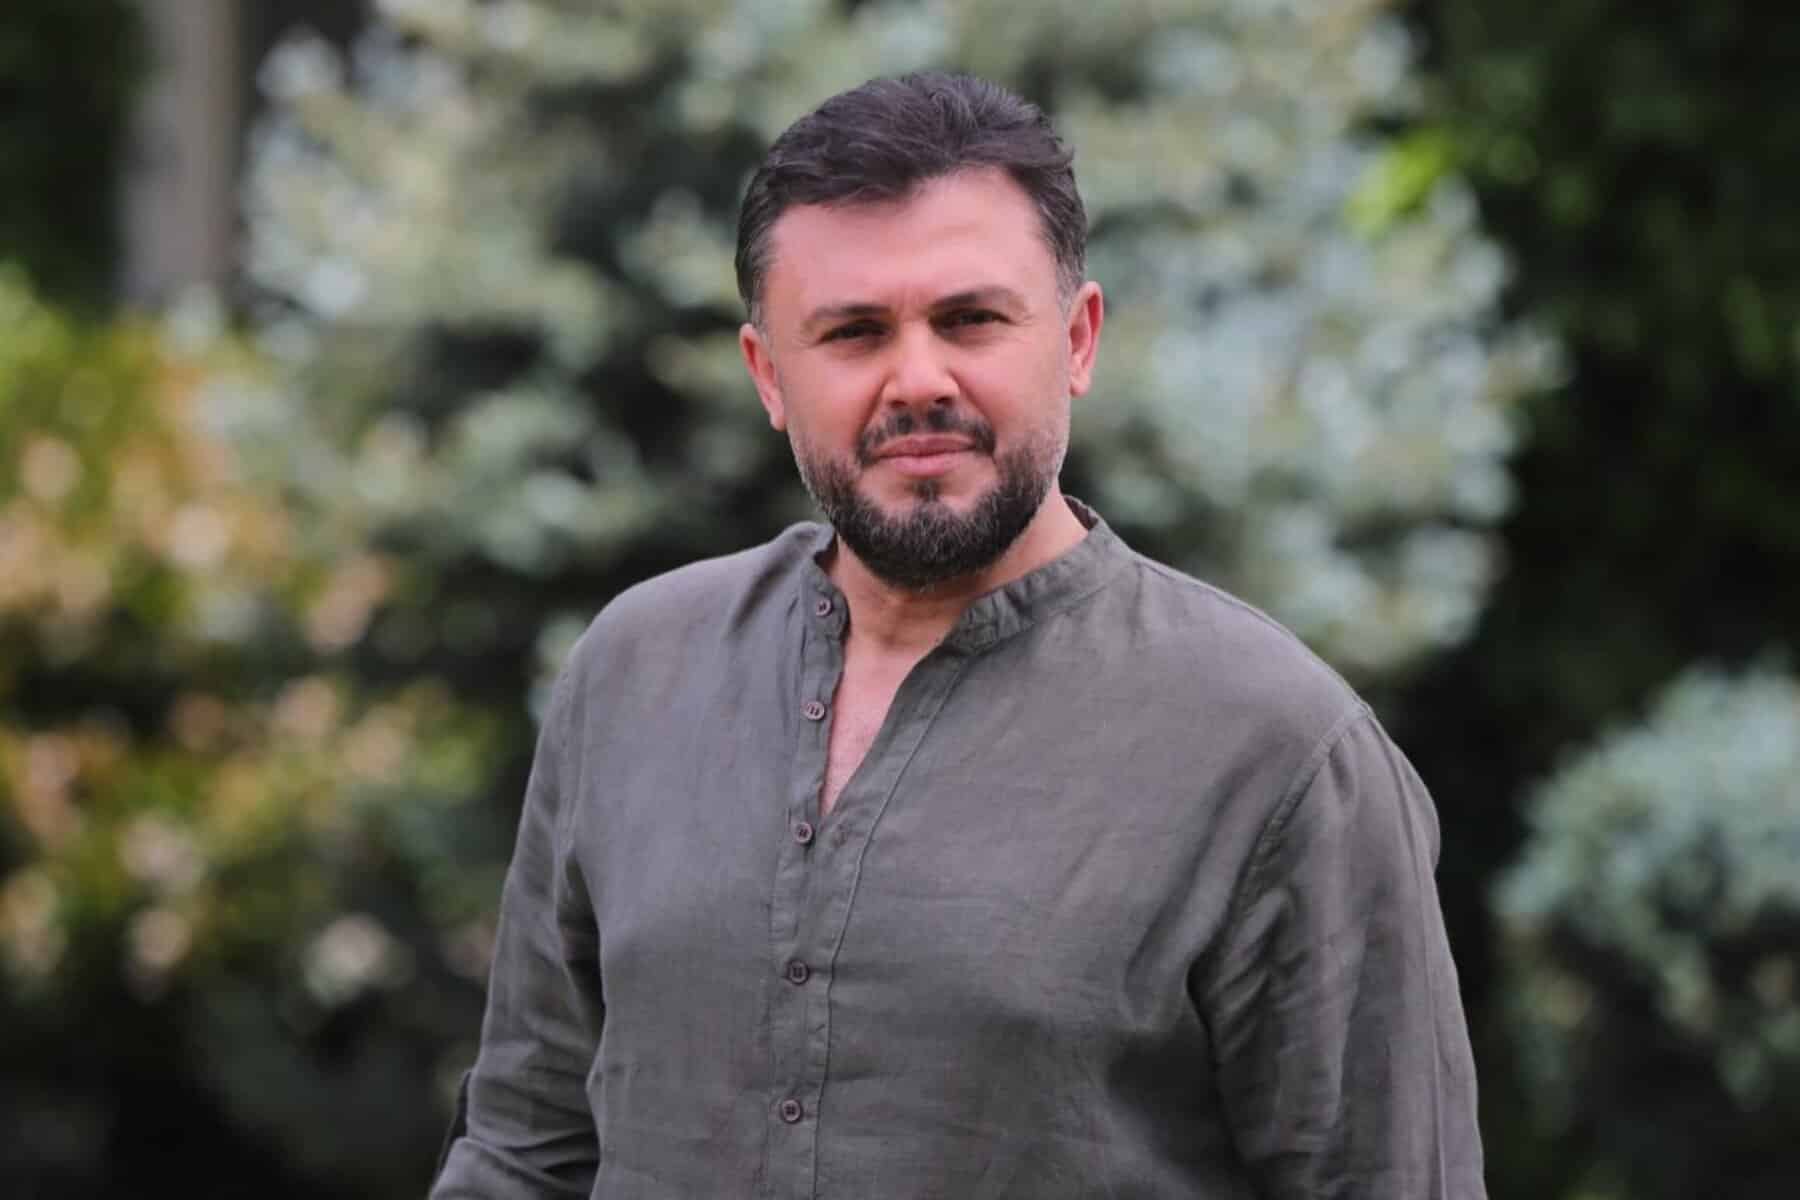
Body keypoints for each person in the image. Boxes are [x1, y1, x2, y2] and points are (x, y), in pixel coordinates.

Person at [431, 71, 1484, 1199]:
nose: (918, 380)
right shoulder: (635, 671)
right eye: (853, 332)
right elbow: (522, 1151)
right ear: (769, 377)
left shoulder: (1280, 748)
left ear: (1076, 340)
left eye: (971, 320)